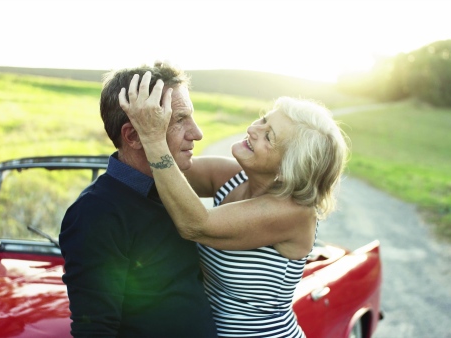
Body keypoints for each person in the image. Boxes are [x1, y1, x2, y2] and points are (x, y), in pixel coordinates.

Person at [118, 72, 349, 337]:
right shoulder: (230, 177)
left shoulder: (294, 212)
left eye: (268, 136)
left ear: (289, 168)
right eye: (263, 120)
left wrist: (153, 137)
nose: (253, 129)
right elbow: (157, 174)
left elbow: (195, 224)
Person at [59, 63, 217, 337]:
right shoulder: (95, 213)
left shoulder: (173, 190)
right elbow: (95, 330)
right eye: (179, 120)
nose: (197, 133)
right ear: (133, 136)